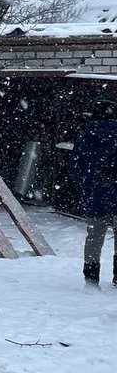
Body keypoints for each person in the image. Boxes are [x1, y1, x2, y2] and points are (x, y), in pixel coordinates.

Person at [72, 104, 117, 285]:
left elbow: (75, 165)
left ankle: (91, 278)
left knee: (94, 237)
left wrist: (87, 183)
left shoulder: (85, 136)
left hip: (96, 195)